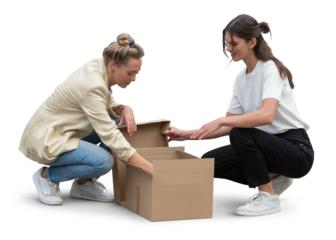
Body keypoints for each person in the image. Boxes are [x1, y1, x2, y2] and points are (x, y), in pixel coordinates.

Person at [165, 13, 316, 217]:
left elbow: (266, 115)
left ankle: (268, 197)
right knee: (207, 163)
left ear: (252, 42)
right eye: (227, 43)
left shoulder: (270, 68)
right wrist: (185, 135)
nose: (228, 48)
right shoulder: (239, 79)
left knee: (240, 133)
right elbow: (226, 127)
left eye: (233, 43)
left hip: (296, 150)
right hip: (266, 146)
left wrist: (223, 119)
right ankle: (274, 177)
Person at [17, 32, 153, 205]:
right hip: (46, 139)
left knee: (120, 124)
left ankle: (83, 184)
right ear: (113, 64)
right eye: (130, 73)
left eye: (138, 73)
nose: (135, 79)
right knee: (104, 161)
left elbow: (106, 100)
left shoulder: (99, 66)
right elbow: (108, 132)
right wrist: (148, 167)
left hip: (67, 131)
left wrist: (124, 107)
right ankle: (46, 176)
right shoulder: (92, 84)